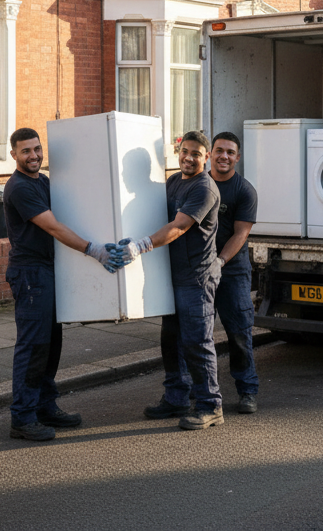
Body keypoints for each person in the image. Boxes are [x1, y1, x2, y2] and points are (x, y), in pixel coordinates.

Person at [3, 127, 123, 442]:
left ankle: (45, 406)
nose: (34, 155)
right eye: (26, 151)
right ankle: (23, 417)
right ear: (13, 154)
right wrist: (93, 249)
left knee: (51, 345)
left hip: (48, 272)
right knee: (33, 347)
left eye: (37, 149)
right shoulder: (19, 188)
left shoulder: (43, 181)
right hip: (30, 275)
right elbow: (54, 227)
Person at [114, 131, 224, 430]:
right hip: (172, 276)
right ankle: (176, 397)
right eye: (185, 151)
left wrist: (140, 245)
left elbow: (178, 226)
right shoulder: (175, 181)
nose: (188, 158)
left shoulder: (204, 188)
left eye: (196, 154)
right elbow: (152, 210)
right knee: (171, 341)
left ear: (207, 158)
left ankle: (210, 405)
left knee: (197, 343)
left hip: (197, 279)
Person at [207, 132, 260, 414]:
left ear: (237, 157)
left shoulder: (244, 190)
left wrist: (220, 261)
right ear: (210, 154)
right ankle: (197, 391)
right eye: (219, 151)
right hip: (198, 272)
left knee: (239, 333)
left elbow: (241, 234)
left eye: (229, 152)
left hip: (233, 272)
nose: (224, 156)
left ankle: (248, 390)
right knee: (194, 336)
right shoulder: (198, 185)